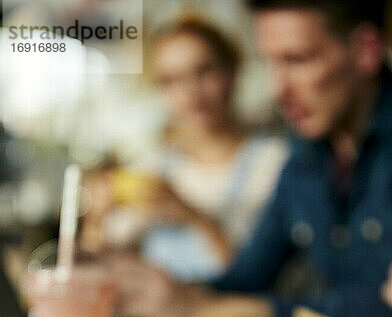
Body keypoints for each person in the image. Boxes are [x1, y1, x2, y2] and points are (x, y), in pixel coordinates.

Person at [102, 0, 392, 317]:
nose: (278, 89)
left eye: (298, 60)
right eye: (270, 63)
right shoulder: (308, 156)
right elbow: (248, 277)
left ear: (365, 51)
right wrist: (173, 296)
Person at [81, 16, 288, 282]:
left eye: (203, 71)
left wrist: (192, 216)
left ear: (232, 71)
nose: (190, 92)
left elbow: (261, 277)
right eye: (171, 80)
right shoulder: (152, 166)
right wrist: (97, 218)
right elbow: (99, 268)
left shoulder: (274, 163)